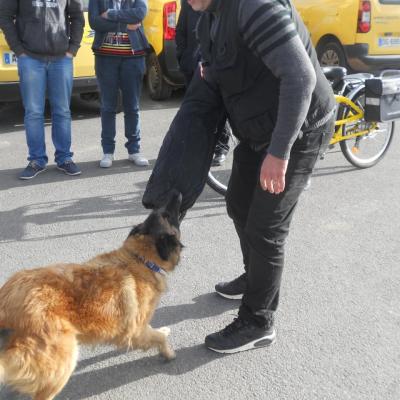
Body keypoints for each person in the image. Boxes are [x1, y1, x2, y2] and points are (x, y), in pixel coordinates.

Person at [144, 0, 336, 354]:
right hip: (256, 130)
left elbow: (300, 76)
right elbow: (216, 66)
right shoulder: (208, 16)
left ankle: (258, 320)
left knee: (265, 226)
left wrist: (279, 153)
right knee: (237, 203)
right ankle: (255, 277)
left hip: (297, 130)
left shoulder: (256, 7)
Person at [0, 0, 84, 180]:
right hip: (30, 58)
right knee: (33, 112)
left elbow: (77, 17)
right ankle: (37, 160)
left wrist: (72, 49)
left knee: (62, 110)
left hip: (61, 58)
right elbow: (4, 16)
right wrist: (18, 50)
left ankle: (65, 158)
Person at [89, 0, 150, 169]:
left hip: (133, 58)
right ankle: (108, 151)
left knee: (132, 106)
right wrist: (125, 25)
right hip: (105, 58)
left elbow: (140, 14)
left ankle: (134, 150)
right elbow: (94, 22)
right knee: (108, 106)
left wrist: (110, 15)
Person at [175, 0, 230, 166]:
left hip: (214, 67)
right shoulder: (188, 3)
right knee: (195, 110)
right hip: (191, 66)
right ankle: (200, 147)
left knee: (219, 109)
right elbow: (181, 30)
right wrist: (183, 57)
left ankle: (221, 148)